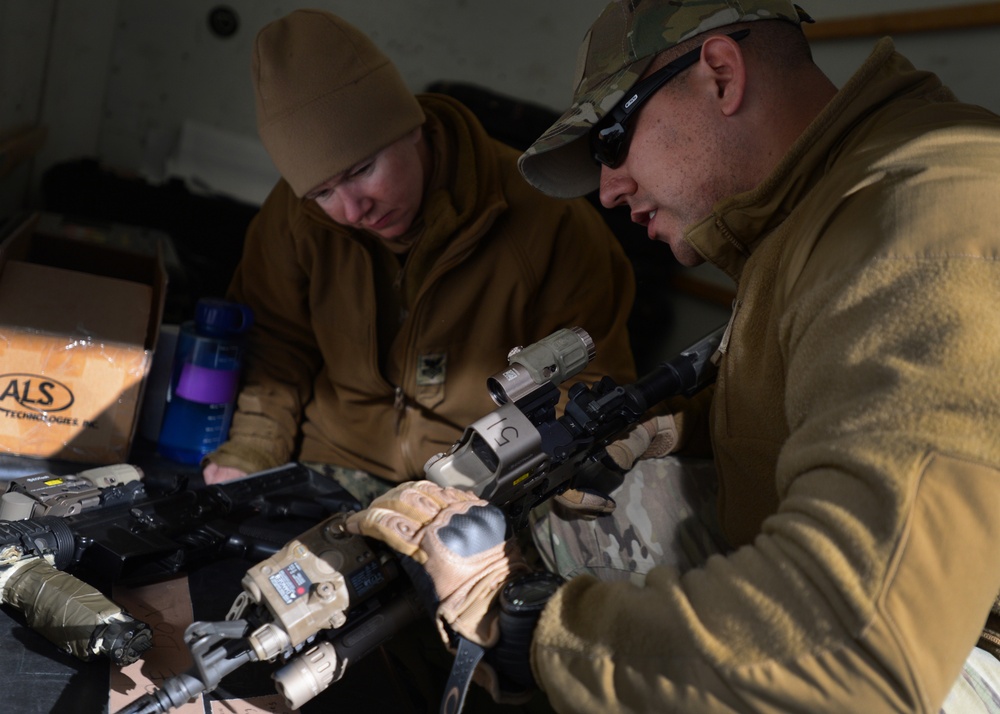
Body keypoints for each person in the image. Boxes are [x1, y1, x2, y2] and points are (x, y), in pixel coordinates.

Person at [347, 1, 1000, 712]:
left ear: (720, 75)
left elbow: (858, 653)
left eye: (612, 141)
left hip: (942, 656)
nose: (608, 189)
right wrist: (686, 424)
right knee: (582, 521)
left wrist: (530, 630)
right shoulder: (820, 213)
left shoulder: (924, 223)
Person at [200, 9, 637, 503]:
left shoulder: (550, 223)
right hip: (327, 465)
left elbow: (590, 388)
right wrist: (252, 454)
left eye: (363, 169)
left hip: (477, 485)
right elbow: (275, 346)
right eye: (323, 192)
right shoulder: (295, 218)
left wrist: (512, 491)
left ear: (412, 127)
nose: (351, 209)